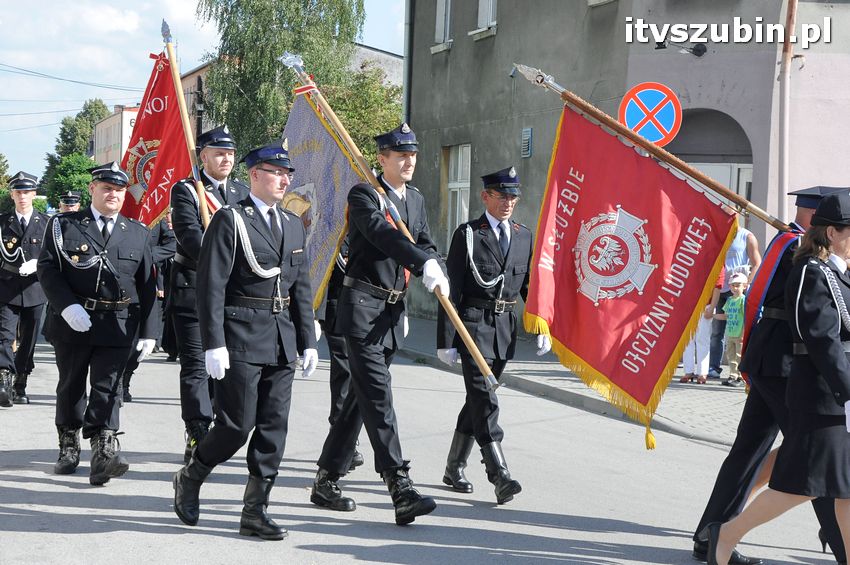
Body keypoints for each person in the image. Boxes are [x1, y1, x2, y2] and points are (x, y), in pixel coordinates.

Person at [692, 186, 848, 565]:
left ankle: (712, 532)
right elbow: (813, 330)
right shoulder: (801, 258)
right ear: (826, 227)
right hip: (790, 367)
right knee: (814, 470)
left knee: (769, 457)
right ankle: (723, 534)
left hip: (779, 362)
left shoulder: (800, 252)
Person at [172, 141, 317, 541]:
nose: (284, 179)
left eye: (287, 174)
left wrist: (307, 339)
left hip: (281, 337)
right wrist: (213, 343)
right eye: (276, 172)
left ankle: (255, 510)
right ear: (255, 175)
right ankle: (191, 475)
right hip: (239, 333)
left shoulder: (291, 223)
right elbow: (211, 284)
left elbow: (299, 285)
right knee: (237, 425)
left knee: (273, 428)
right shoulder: (231, 219)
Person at [309, 123, 447, 526]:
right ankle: (398, 485)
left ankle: (325, 479)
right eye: (399, 155)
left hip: (390, 313)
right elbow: (383, 236)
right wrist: (420, 263)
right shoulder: (365, 195)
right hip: (361, 309)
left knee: (359, 399)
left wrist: (433, 262)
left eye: (413, 155)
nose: (408, 161)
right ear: (381, 159)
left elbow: (423, 240)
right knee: (379, 397)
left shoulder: (415, 200)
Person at [435, 166, 551, 503]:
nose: (508, 202)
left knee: (477, 398)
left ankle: (454, 466)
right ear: (486, 196)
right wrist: (446, 340)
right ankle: (499, 474)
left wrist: (542, 322)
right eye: (502, 195)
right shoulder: (468, 234)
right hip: (472, 326)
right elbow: (452, 287)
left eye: (513, 196)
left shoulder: (523, 234)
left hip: (503, 329)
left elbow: (528, 284)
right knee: (486, 396)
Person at [37, 162, 157, 484]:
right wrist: (66, 306)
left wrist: (148, 331)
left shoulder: (137, 232)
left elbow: (146, 285)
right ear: (93, 189)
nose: (113, 194)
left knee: (109, 387)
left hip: (118, 323)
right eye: (107, 188)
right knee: (72, 386)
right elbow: (48, 269)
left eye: (119, 190)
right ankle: (69, 442)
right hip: (74, 320)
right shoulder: (65, 225)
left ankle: (104, 447)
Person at [169, 125, 249, 462]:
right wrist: (220, 263)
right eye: (219, 153)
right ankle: (197, 429)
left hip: (232, 295)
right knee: (196, 365)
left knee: (226, 365)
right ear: (203, 156)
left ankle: (221, 427)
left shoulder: (242, 192)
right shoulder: (188, 190)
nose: (226, 159)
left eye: (230, 153)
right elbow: (189, 235)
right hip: (192, 287)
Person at [315, 235, 365, 470]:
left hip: (364, 308)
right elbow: (319, 267)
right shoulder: (333, 225)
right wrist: (312, 313)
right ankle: (345, 440)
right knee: (344, 372)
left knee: (360, 377)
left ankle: (343, 438)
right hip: (335, 305)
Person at [0, 171, 49, 406]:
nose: (22, 196)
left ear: (34, 195)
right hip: (6, 287)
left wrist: (37, 264)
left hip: (35, 289)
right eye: (18, 192)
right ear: (12, 195)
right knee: (4, 336)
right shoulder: (2, 222)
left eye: (27, 192)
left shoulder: (47, 223)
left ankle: (20, 382)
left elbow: (53, 256)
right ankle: (4, 378)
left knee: (28, 340)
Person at [119, 213, 176, 403]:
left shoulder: (156, 219)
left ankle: (125, 378)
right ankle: (114, 382)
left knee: (138, 340)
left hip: (143, 284)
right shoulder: (117, 217)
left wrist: (146, 256)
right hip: (115, 285)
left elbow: (173, 244)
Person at [709, 225, 762, 379]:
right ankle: (714, 367)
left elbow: (757, 262)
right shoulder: (719, 233)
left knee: (742, 332)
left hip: (739, 291)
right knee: (717, 331)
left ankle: (741, 370)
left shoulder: (747, 236)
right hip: (721, 288)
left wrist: (747, 284)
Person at [681, 268, 723, 384]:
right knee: (687, 340)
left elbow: (717, 286)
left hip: (705, 305)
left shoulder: (718, 260)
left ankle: (702, 373)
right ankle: (688, 371)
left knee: (702, 339)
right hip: (688, 304)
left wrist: (712, 307)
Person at [717, 271, 748, 388]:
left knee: (740, 356)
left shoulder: (743, 300)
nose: (735, 288)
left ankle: (741, 376)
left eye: (738, 285)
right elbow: (726, 315)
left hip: (739, 333)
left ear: (744, 286)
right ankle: (733, 375)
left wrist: (744, 332)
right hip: (730, 333)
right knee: (731, 355)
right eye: (732, 285)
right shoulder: (729, 300)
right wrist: (713, 316)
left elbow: (746, 317)